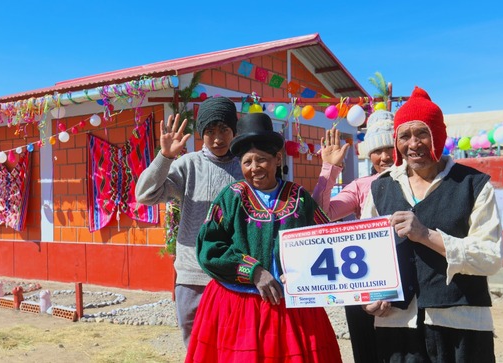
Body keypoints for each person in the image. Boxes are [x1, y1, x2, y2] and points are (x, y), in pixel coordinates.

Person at [360, 86, 503, 362]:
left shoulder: (473, 185)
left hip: (462, 324)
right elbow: (367, 253)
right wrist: (370, 296)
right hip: (397, 327)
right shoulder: (380, 188)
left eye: (422, 133)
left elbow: (490, 258)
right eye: (405, 135)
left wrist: (426, 235)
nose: (413, 144)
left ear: (438, 134)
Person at [185, 112, 342, 363]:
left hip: (293, 308)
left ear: (277, 159)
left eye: (262, 160)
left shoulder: (299, 197)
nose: (254, 168)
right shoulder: (232, 196)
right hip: (238, 305)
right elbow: (209, 248)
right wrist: (254, 271)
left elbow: (325, 239)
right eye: (247, 162)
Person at [135, 96, 244, 347]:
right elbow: (145, 195)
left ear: (234, 132)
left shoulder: (244, 168)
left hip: (233, 276)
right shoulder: (189, 165)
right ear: (200, 133)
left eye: (224, 130)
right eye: (209, 131)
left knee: (232, 347)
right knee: (195, 348)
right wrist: (164, 156)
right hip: (192, 277)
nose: (217, 138)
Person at [312, 110, 395, 363]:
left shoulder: (418, 182)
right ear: (368, 154)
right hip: (364, 284)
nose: (384, 157)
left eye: (390, 147)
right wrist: (330, 168)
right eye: (377, 150)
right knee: (366, 353)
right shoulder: (361, 186)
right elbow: (321, 213)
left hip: (407, 284)